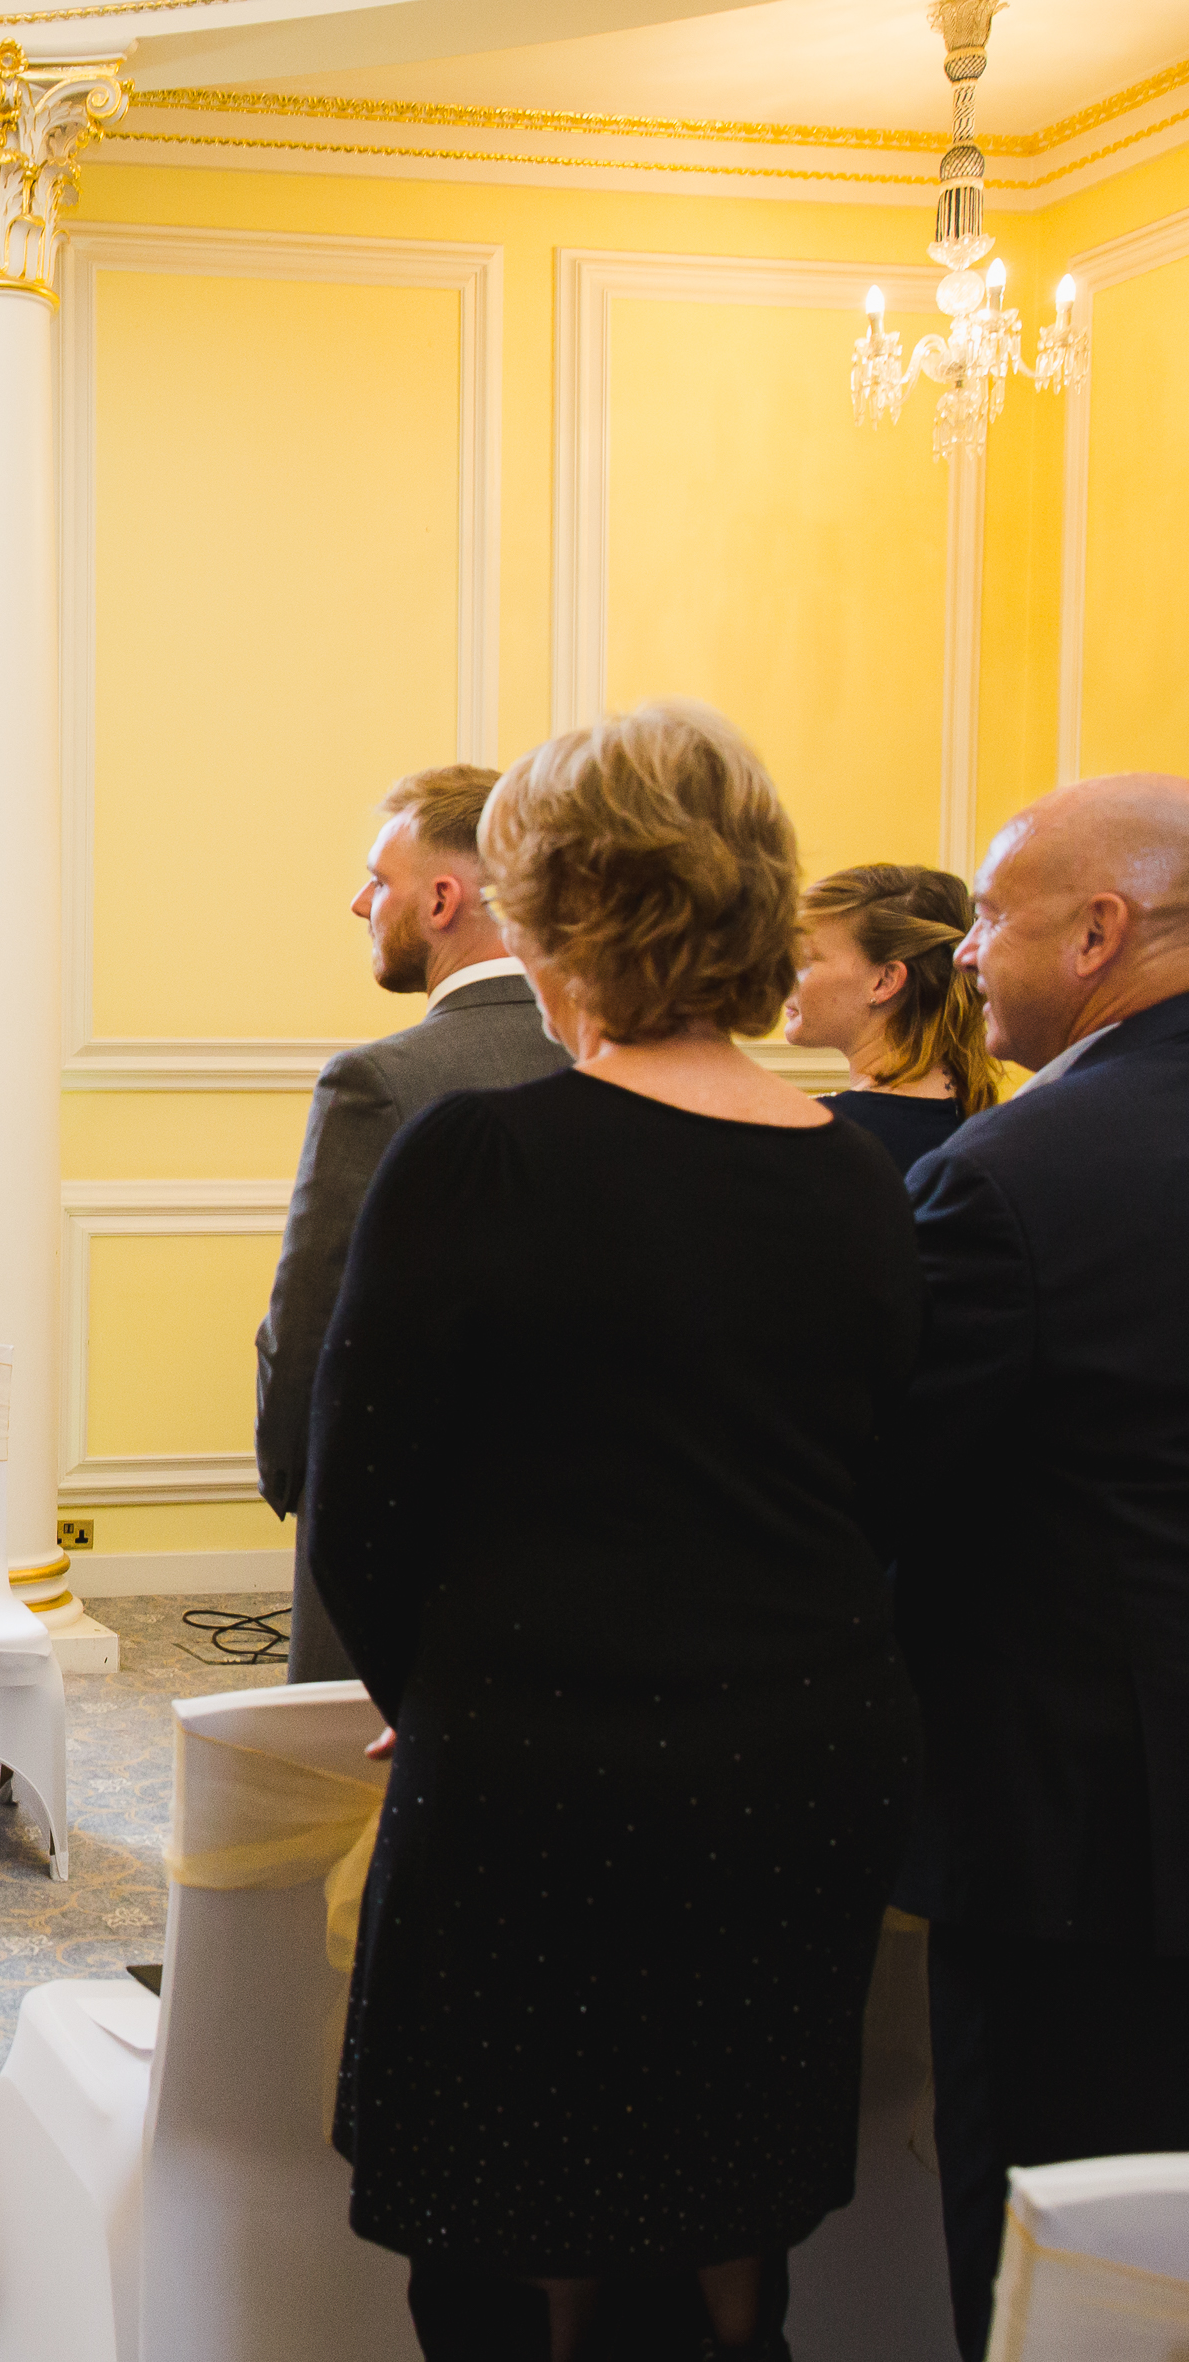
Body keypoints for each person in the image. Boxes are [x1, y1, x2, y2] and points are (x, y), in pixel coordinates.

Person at [308, 703, 923, 2362]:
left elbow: (358, 1502)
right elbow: (877, 1495)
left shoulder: (482, 1153)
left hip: (542, 1764)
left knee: (525, 2247)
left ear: (553, 909)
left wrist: (436, 1689)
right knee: (729, 2219)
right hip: (798, 1761)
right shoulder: (854, 1171)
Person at [894, 772, 1189, 2360]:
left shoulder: (1012, 1177)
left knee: (1057, 2244)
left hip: (1080, 1846)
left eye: (986, 919)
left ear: (1096, 929)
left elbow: (884, 1496)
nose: (960, 959)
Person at [256, 763, 570, 1684]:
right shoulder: (607, 1057)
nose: (359, 903)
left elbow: (311, 1315)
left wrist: (291, 1473)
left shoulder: (378, 1080)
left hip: (392, 1514)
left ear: (442, 899)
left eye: (378, 880)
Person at [782, 861, 999, 1175]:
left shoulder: (824, 1137)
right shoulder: (966, 1111)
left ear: (884, 981)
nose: (781, 976)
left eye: (803, 960)